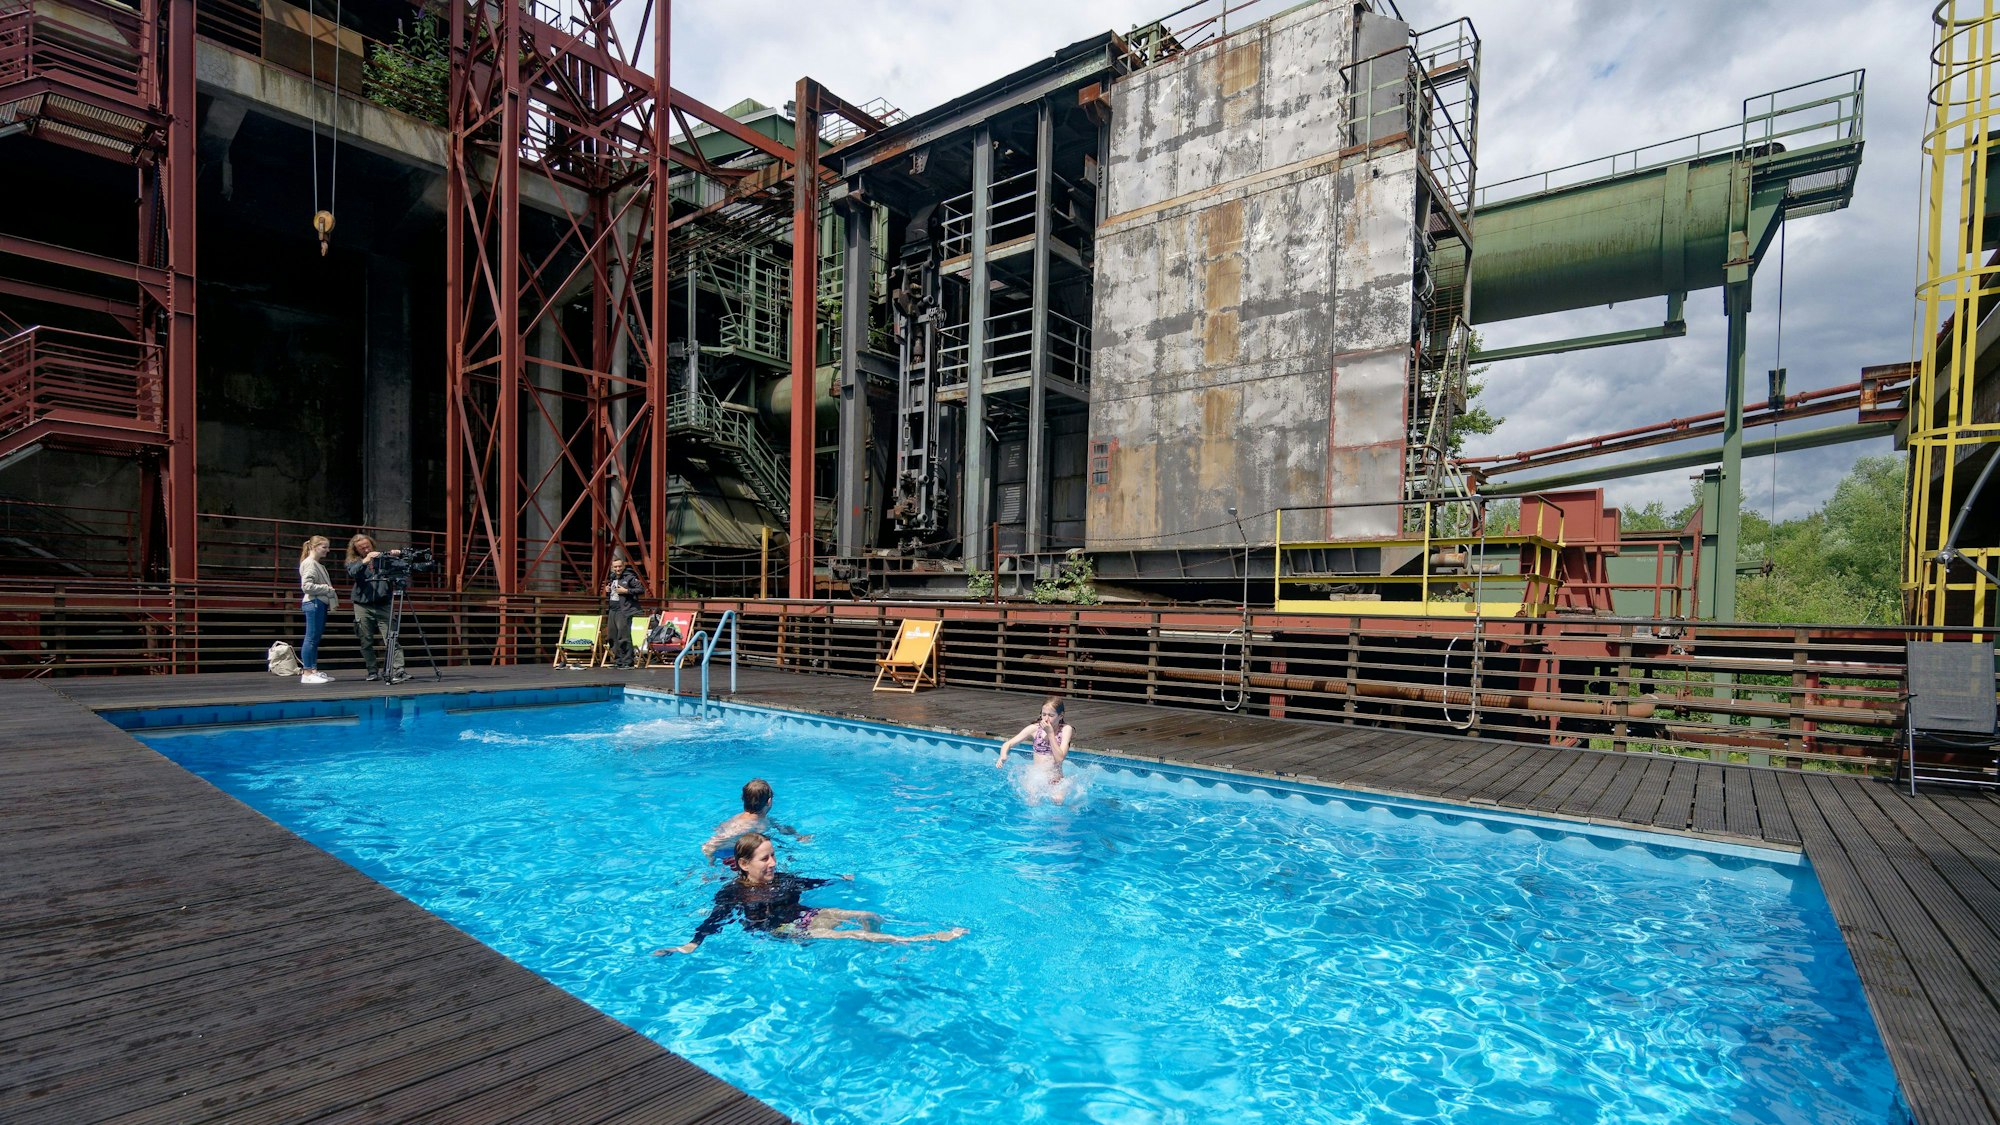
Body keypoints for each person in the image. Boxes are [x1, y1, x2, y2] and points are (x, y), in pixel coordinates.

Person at [655, 833, 967, 954]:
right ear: (744, 864)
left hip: (802, 915)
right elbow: (716, 920)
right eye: (765, 859)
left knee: (867, 915)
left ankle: (877, 946)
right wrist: (692, 944)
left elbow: (810, 882)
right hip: (779, 930)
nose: (773, 863)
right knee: (852, 934)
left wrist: (838, 879)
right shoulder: (734, 892)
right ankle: (924, 939)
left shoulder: (783, 879)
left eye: (773, 855)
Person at [701, 779, 810, 867]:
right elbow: (708, 846)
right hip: (730, 854)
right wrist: (711, 864)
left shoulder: (764, 819)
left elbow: (781, 828)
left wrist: (799, 837)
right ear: (769, 802)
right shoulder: (744, 826)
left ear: (742, 799)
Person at [345, 533, 408, 684]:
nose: (366, 549)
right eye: (362, 548)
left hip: (383, 603)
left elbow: (404, 567)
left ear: (372, 544)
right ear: (356, 550)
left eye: (367, 546)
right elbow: (352, 572)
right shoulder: (353, 561)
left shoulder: (383, 558)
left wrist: (398, 555)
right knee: (365, 639)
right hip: (363, 604)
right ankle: (372, 670)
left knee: (391, 638)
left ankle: (399, 669)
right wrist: (365, 561)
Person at [995, 695, 1073, 783]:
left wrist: (1050, 733)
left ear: (1061, 715)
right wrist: (1003, 756)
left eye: (1051, 715)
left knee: (1059, 792)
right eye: (1044, 714)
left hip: (1056, 781)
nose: (1046, 719)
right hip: (1037, 780)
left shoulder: (1065, 730)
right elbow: (1008, 744)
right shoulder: (1035, 729)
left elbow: (1059, 759)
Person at [297, 535, 337, 685]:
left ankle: (313, 670)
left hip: (319, 603)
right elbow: (306, 586)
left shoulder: (317, 564)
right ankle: (307, 672)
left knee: (315, 638)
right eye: (324, 547)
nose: (327, 550)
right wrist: (325, 588)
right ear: (314, 547)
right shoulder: (309, 563)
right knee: (311, 638)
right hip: (313, 602)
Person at [602, 557, 646, 668]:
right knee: (612, 636)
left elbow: (641, 589)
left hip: (624, 610)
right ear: (612, 568)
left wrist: (626, 591)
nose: (618, 569)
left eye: (619, 566)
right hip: (612, 609)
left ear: (623, 566)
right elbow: (614, 593)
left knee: (624, 636)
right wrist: (608, 590)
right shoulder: (612, 577)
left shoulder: (630, 577)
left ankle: (628, 662)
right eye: (615, 567)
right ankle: (618, 661)